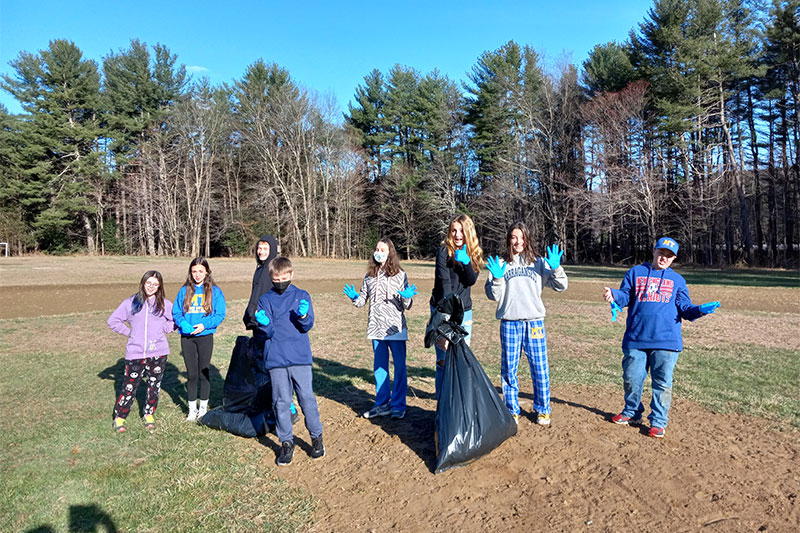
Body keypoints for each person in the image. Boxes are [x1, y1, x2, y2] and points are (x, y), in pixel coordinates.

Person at [603, 237, 720, 438]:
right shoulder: (635, 273)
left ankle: (658, 422)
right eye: (661, 253)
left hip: (666, 341)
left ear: (674, 258)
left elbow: (685, 309)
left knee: (662, 383)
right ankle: (632, 413)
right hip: (636, 338)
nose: (664, 258)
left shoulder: (677, 281)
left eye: (669, 255)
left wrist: (699, 310)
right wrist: (614, 295)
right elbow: (625, 296)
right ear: (654, 251)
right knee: (632, 378)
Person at [485, 222, 567, 426]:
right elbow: (493, 295)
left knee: (539, 368)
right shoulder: (500, 263)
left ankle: (543, 409)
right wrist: (496, 277)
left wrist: (556, 268)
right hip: (509, 323)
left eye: (521, 237)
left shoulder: (539, 262)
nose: (518, 241)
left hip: (534, 323)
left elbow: (561, 286)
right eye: (514, 237)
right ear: (508, 239)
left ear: (527, 238)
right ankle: (511, 409)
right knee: (509, 369)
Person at [255, 257, 324, 466]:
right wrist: (263, 324)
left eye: (284, 277)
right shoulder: (265, 300)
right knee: (281, 403)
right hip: (276, 359)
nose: (280, 280)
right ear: (271, 278)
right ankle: (286, 442)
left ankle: (317, 438)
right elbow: (266, 331)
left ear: (291, 275)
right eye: (276, 278)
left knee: (306, 400)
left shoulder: (302, 296)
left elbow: (307, 325)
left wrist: (303, 316)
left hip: (299, 358)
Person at [343, 238, 418, 420]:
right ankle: (382, 404)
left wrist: (407, 298)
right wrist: (355, 297)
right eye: (376, 249)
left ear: (390, 252)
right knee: (380, 368)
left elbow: (407, 305)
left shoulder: (400, 274)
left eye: (382, 249)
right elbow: (362, 301)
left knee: (399, 367)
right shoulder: (369, 276)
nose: (378, 252)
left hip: (395, 329)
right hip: (376, 328)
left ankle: (399, 405)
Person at [107, 271, 175, 432]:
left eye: (155, 284)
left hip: (158, 352)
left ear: (159, 286)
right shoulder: (130, 303)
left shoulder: (164, 304)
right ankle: (120, 417)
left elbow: (176, 320)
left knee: (154, 386)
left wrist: (163, 329)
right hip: (135, 353)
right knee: (129, 387)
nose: (151, 286)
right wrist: (130, 333)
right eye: (148, 283)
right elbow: (113, 321)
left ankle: (149, 413)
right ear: (143, 283)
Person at [430, 214, 484, 398]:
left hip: (464, 314)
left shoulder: (474, 253)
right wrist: (446, 316)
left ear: (468, 232)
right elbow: (444, 282)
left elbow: (470, 281)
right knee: (443, 360)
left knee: (461, 359)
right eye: (454, 230)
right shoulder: (443, 251)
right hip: (443, 311)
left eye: (461, 230)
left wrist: (466, 264)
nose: (457, 234)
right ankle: (442, 405)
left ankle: (459, 403)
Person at [173, 257, 227, 422]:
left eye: (200, 271)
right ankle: (191, 410)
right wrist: (182, 323)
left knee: (204, 373)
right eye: (194, 271)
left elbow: (220, 314)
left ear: (207, 272)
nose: (197, 275)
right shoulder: (184, 291)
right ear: (190, 272)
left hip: (205, 337)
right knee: (192, 375)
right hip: (187, 338)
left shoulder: (215, 291)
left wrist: (205, 325)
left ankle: (203, 409)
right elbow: (176, 312)